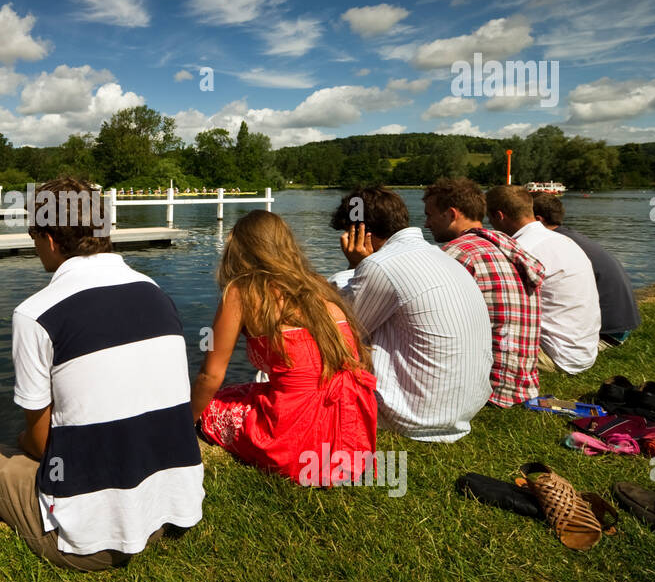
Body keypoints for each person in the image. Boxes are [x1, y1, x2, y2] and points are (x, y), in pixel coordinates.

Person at [0, 176, 204, 570]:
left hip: (92, 542)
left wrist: (24, 441)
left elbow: (38, 442)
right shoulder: (155, 291)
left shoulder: (36, 314)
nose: (34, 247)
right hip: (173, 512)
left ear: (50, 239)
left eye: (34, 235)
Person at [192, 210, 378, 482]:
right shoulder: (317, 285)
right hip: (349, 432)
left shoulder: (242, 291)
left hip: (295, 438)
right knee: (245, 391)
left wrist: (185, 422)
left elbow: (211, 375)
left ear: (240, 250)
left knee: (212, 408)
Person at [331, 187, 492, 442]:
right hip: (463, 410)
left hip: (416, 417)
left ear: (359, 233)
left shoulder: (380, 265)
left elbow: (342, 332)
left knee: (330, 327)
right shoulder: (441, 256)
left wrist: (354, 266)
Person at [423, 178, 544, 408]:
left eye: (430, 215)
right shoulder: (507, 244)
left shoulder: (457, 254)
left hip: (488, 390)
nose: (427, 224)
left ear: (451, 214)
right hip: (520, 382)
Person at [487, 186, 600, 374]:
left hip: (556, 356)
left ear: (499, 216)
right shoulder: (562, 240)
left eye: (489, 219)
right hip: (584, 350)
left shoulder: (520, 251)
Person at [532, 193, 640, 347]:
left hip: (607, 333)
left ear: (537, 220)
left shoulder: (553, 245)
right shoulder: (569, 237)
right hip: (620, 325)